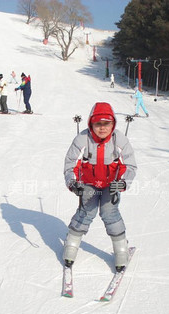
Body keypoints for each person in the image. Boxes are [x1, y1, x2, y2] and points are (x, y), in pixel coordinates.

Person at [62, 102, 137, 272]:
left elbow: (130, 165)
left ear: (113, 124)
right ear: (91, 124)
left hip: (111, 185)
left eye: (107, 124)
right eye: (98, 124)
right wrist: (73, 183)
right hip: (89, 183)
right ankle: (71, 244)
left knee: (109, 212)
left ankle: (120, 248)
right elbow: (70, 164)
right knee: (86, 211)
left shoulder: (119, 139)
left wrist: (123, 182)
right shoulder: (82, 139)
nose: (102, 128)